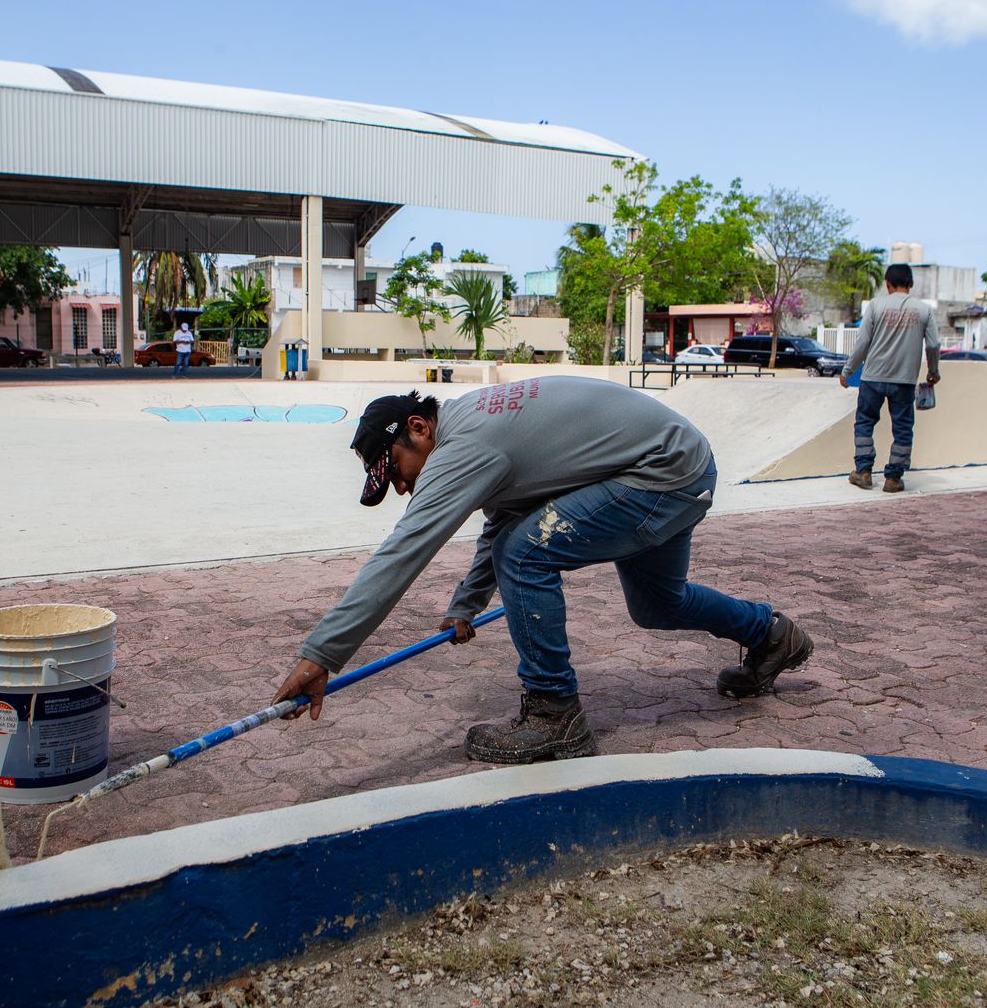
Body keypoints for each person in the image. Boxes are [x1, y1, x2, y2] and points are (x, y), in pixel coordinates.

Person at [270, 377, 815, 764]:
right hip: (679, 464)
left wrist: (322, 655)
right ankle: (771, 634)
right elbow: (505, 516)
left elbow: (403, 552)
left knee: (525, 554)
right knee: (658, 605)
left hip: (660, 476)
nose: (404, 488)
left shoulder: (465, 445)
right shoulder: (473, 424)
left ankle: (555, 713)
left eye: (398, 472)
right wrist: (465, 604)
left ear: (417, 427)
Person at [838, 264, 941, 493]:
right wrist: (933, 373)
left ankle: (863, 472)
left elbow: (862, 343)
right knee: (903, 428)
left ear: (887, 284)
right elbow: (933, 344)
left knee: (865, 422)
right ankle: (893, 478)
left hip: (873, 377)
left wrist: (847, 371)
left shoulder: (876, 305)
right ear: (911, 285)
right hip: (904, 380)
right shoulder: (924, 310)